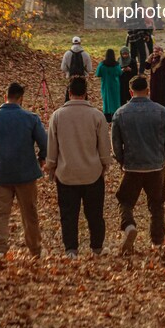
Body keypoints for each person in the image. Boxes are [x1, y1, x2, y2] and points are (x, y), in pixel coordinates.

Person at [0, 82, 47, 258]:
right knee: (29, 213)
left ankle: (1, 248)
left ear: (4, 97)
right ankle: (35, 249)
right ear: (21, 99)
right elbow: (45, 144)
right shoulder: (31, 119)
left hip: (0, 173)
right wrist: (41, 159)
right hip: (26, 173)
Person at [46, 75, 111, 259]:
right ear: (86, 93)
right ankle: (97, 247)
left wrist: (51, 167)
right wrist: (105, 164)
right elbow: (104, 146)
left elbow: (52, 146)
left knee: (68, 214)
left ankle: (71, 249)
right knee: (95, 213)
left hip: (66, 173)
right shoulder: (97, 115)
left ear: (69, 92)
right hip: (92, 172)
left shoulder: (57, 115)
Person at [111, 75, 165, 253]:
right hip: (155, 165)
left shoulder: (120, 113)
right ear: (148, 90)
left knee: (125, 200)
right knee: (156, 204)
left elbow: (116, 144)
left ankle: (129, 225)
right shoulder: (161, 112)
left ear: (131, 92)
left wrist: (122, 160)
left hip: (132, 166)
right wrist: (164, 157)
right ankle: (157, 241)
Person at [61, 35, 93, 101]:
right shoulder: (86, 54)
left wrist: (68, 72)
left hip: (71, 79)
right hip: (82, 80)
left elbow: (63, 68)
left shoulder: (67, 54)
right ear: (80, 43)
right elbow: (89, 69)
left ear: (72, 43)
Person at [95, 48, 123, 122]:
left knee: (106, 99)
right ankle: (116, 115)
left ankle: (107, 116)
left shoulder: (102, 65)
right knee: (116, 100)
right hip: (115, 84)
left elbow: (97, 73)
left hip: (106, 84)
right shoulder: (116, 65)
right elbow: (120, 73)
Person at [144, 44, 165, 111]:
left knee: (163, 98)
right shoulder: (153, 60)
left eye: (156, 52)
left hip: (162, 83)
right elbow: (146, 66)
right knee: (154, 97)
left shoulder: (164, 60)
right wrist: (149, 57)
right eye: (154, 52)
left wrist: (162, 56)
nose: (155, 53)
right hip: (154, 83)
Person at [125, 0, 148, 73]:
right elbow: (142, 26)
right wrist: (146, 35)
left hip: (132, 39)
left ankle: (134, 71)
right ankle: (141, 71)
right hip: (139, 38)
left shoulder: (128, 15)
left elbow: (128, 28)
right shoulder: (139, 14)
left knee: (133, 55)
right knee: (142, 55)